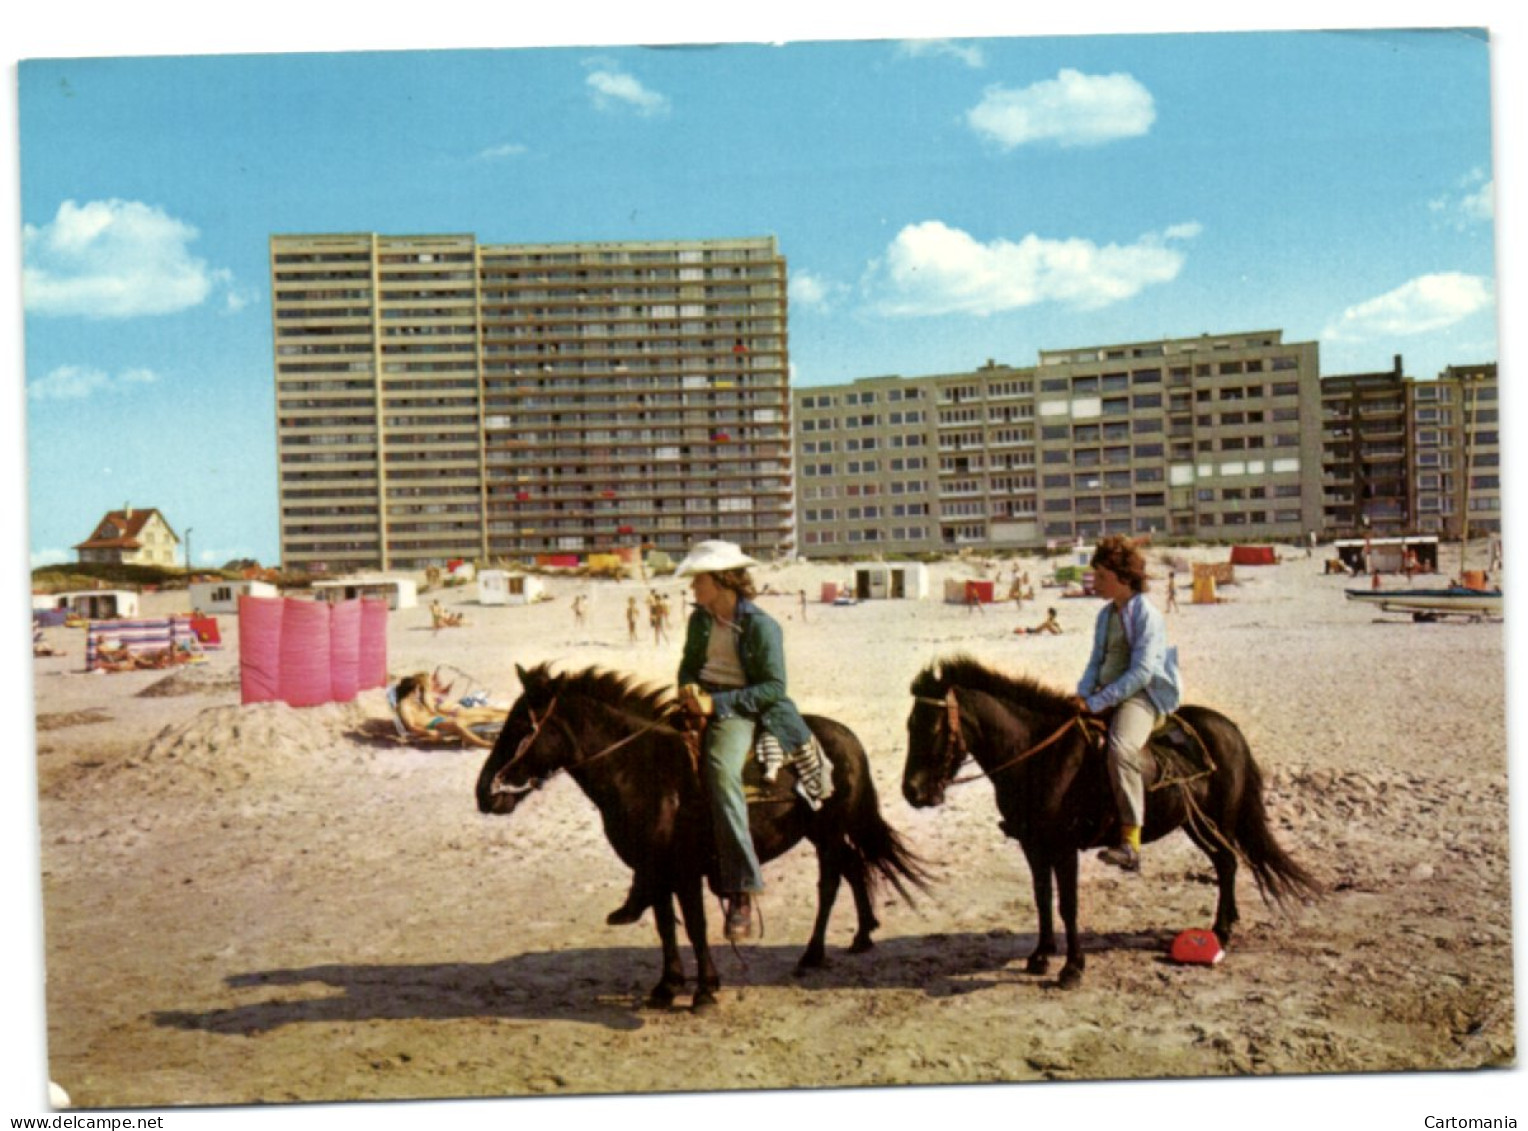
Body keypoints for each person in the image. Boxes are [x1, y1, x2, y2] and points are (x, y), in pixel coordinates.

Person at [674, 539, 814, 942]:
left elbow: (773, 687)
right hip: (700, 702)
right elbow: (687, 666)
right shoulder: (699, 619)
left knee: (720, 770)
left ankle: (741, 887)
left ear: (720, 581)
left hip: (741, 709)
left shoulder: (762, 626)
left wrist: (713, 705)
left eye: (698, 580)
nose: (692, 588)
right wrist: (687, 690)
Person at [1070, 535, 1181, 873]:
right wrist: (1083, 694)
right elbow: (1096, 660)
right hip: (1105, 690)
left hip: (1141, 695)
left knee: (1120, 749)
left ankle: (1130, 842)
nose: (1096, 583)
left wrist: (1101, 699)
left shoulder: (1146, 614)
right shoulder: (1106, 615)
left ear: (1122, 577)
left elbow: (1142, 672)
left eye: (1102, 577)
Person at [393, 672, 507, 747]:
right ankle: (484, 744)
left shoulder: (414, 701)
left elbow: (433, 709)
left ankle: (507, 718)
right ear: (411, 690)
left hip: (437, 719)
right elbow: (410, 726)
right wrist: (426, 732)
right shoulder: (404, 706)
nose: (419, 692)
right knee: (457, 724)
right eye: (417, 690)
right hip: (432, 724)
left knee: (478, 717)